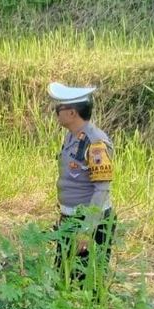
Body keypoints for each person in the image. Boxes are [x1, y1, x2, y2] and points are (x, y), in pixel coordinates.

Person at [50, 82, 115, 281]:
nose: (55, 113)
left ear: (72, 113)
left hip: (89, 222)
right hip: (71, 219)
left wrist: (87, 230)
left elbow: (102, 189)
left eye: (58, 108)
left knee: (88, 282)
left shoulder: (95, 143)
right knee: (64, 277)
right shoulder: (72, 137)